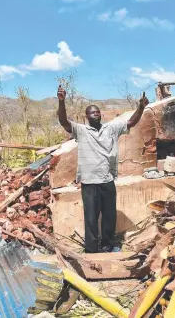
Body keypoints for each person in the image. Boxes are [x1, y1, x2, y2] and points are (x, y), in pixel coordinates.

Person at [57, 85, 149, 253]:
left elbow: (131, 122)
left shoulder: (111, 128)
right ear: (87, 116)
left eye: (98, 112)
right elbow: (63, 121)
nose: (96, 114)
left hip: (107, 180)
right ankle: (91, 249)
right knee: (91, 218)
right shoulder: (81, 130)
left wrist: (141, 108)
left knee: (109, 217)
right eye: (92, 112)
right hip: (89, 182)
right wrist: (61, 102)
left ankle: (108, 245)